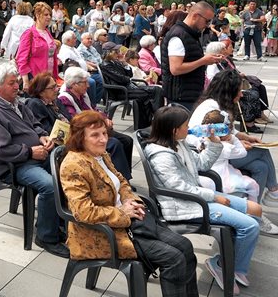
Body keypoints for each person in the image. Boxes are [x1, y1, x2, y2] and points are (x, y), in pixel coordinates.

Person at [61, 110, 199, 297]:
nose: (103, 139)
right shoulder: (74, 165)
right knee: (174, 259)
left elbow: (122, 181)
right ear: (80, 138)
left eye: (104, 133)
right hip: (100, 232)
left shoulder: (100, 154)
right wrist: (123, 213)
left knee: (185, 246)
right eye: (95, 135)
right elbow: (83, 213)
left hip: (129, 222)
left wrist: (129, 200)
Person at [145, 105, 261, 293]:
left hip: (198, 197)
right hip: (186, 206)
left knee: (255, 210)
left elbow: (202, 163)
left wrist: (214, 142)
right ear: (174, 130)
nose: (189, 127)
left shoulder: (178, 143)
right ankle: (225, 266)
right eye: (185, 125)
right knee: (250, 225)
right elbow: (180, 188)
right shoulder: (161, 156)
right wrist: (214, 196)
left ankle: (229, 261)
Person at [0, 62, 68, 258]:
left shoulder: (17, 104)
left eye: (17, 82)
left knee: (69, 169)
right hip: (15, 165)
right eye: (11, 83)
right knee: (50, 185)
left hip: (34, 155)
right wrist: (29, 152)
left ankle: (59, 221)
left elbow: (34, 124)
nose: (17, 86)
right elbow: (0, 149)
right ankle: (46, 236)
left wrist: (43, 135)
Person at [189, 70, 278, 233]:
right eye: (239, 90)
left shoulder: (215, 105)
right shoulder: (210, 109)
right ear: (228, 91)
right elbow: (201, 139)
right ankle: (273, 192)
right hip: (214, 157)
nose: (242, 95)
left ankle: (254, 212)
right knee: (262, 152)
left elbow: (226, 131)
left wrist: (243, 137)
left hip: (221, 151)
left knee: (261, 166)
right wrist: (237, 144)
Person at [58, 67, 134, 180]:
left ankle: (123, 176)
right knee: (115, 143)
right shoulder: (65, 98)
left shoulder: (83, 95)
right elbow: (77, 121)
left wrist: (105, 118)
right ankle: (120, 179)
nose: (88, 85)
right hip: (86, 135)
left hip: (96, 128)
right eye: (85, 83)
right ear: (74, 84)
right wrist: (100, 121)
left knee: (128, 140)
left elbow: (94, 109)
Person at [161, 1, 223, 110]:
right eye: (207, 21)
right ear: (195, 16)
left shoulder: (189, 34)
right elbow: (175, 69)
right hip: (181, 97)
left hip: (189, 94)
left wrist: (207, 60)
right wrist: (203, 61)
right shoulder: (178, 35)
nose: (208, 25)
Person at [100, 42, 164, 129]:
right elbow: (121, 79)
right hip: (120, 91)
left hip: (127, 87)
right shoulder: (106, 65)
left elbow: (129, 74)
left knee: (156, 90)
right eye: (116, 51)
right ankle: (155, 120)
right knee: (151, 92)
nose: (119, 53)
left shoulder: (116, 62)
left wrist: (125, 63)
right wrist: (127, 79)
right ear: (110, 53)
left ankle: (155, 119)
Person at [16, 2, 59, 91]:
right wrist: (26, 81)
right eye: (46, 14)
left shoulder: (47, 33)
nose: (49, 17)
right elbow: (21, 58)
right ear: (37, 15)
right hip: (36, 78)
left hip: (49, 77)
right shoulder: (29, 33)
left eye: (50, 15)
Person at [76, 32, 104, 106]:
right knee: (101, 80)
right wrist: (95, 65)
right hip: (90, 71)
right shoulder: (80, 50)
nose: (90, 40)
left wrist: (99, 64)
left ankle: (98, 101)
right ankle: (93, 103)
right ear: (82, 40)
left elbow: (99, 58)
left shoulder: (92, 48)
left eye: (91, 39)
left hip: (100, 68)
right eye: (88, 39)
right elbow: (83, 61)